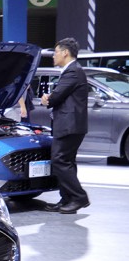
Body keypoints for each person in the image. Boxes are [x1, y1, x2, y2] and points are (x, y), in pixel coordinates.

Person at [41, 38, 89, 214]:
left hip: (69, 125)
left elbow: (57, 96)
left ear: (65, 53)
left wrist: (47, 99)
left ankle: (79, 197)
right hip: (71, 125)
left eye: (55, 52)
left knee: (59, 161)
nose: (53, 56)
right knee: (67, 162)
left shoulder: (72, 72)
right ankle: (67, 199)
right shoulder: (72, 71)